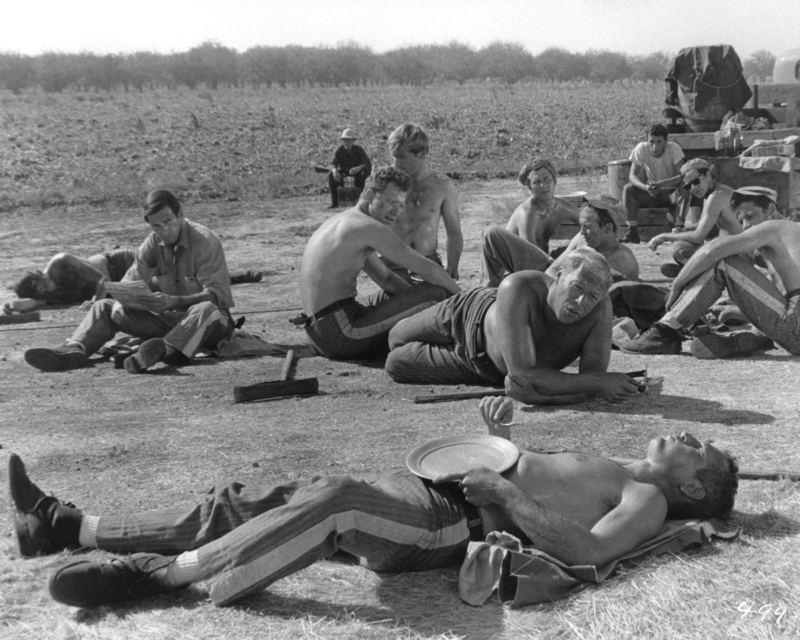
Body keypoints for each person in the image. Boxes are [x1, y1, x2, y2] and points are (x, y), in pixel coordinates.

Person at [9, 398, 738, 609]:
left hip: (458, 519)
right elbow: (552, 488)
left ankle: (161, 577)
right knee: (259, 499)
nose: (686, 433)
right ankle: (70, 525)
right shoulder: (621, 467)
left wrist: (503, 490)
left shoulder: (645, 497)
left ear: (695, 487)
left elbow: (590, 553)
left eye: (698, 447)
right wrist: (500, 443)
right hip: (454, 486)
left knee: (335, 505)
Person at [386, 248, 641, 405]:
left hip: (476, 366)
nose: (582, 302)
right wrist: (543, 393)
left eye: (593, 296)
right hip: (467, 313)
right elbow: (527, 376)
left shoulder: (600, 307)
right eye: (577, 288)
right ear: (559, 275)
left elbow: (588, 385)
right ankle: (423, 297)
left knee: (395, 363)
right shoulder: (518, 286)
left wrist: (581, 386)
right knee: (395, 337)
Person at [23, 190, 235, 374]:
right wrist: (127, 299)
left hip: (211, 324)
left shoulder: (206, 241)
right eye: (156, 226)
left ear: (180, 214)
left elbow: (219, 295)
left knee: (206, 308)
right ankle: (75, 349)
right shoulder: (153, 242)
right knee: (104, 306)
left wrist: (174, 301)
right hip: (169, 322)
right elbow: (128, 283)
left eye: (168, 221)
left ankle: (165, 352)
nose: (164, 231)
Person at [296, 166, 460, 360]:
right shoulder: (367, 227)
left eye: (400, 205)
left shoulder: (347, 221)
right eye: (390, 201)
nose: (395, 211)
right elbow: (430, 271)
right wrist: (465, 299)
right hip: (341, 334)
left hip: (318, 334)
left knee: (400, 292)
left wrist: (413, 300)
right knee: (434, 292)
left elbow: (387, 278)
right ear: (370, 194)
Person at [620, 186, 790, 359]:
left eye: (750, 217)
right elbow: (780, 294)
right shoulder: (786, 237)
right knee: (727, 271)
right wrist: (733, 309)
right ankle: (752, 340)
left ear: (770, 209)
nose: (746, 226)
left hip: (793, 324)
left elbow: (713, 250)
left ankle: (665, 331)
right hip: (790, 325)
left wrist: (678, 284)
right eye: (742, 221)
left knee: (724, 263)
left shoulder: (776, 227)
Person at [6, 251, 260, 313]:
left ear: (39, 278)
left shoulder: (61, 262)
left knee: (167, 283)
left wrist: (95, 301)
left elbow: (102, 280)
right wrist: (13, 306)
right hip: (115, 284)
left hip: (119, 266)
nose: (47, 292)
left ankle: (233, 277)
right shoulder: (50, 291)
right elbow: (29, 304)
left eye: (42, 287)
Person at [483, 195, 639, 285]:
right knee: (492, 234)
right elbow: (552, 268)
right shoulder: (582, 238)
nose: (582, 232)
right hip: (551, 280)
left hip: (567, 298)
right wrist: (544, 285)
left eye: (587, 227)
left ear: (607, 228)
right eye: (581, 226)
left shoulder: (622, 260)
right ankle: (488, 290)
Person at [384, 123, 463, 281]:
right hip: (393, 264)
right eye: (394, 157)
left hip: (428, 262)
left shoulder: (442, 186)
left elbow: (453, 232)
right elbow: (364, 224)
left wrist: (452, 267)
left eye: (401, 157)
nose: (396, 164)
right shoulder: (385, 183)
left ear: (421, 154)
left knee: (439, 300)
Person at [647, 158, 743, 277]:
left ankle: (703, 273)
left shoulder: (716, 196)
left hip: (737, 257)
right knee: (681, 244)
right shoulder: (711, 193)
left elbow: (698, 237)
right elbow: (705, 223)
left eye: (696, 181)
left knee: (680, 250)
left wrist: (664, 236)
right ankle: (698, 271)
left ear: (708, 175)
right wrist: (684, 230)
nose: (693, 188)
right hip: (729, 251)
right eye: (688, 186)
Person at [621, 123, 690, 245]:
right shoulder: (641, 148)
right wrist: (646, 187)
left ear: (666, 141)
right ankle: (632, 231)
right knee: (628, 189)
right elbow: (632, 176)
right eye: (651, 142)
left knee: (685, 187)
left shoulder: (673, 148)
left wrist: (663, 183)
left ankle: (679, 229)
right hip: (652, 193)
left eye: (659, 142)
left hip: (672, 193)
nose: (654, 146)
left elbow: (685, 175)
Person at [501, 158, 580, 255]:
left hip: (545, 261)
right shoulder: (527, 213)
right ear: (530, 187)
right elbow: (531, 256)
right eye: (537, 182)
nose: (543, 185)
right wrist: (554, 266)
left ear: (554, 180)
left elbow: (590, 221)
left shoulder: (560, 207)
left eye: (547, 179)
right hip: (525, 265)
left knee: (585, 240)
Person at [328, 128, 372, 209]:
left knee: (366, 173)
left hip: (357, 177)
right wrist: (335, 171)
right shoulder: (339, 150)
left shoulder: (359, 150)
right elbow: (332, 163)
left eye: (348, 140)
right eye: (344, 140)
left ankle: (364, 200)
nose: (346, 142)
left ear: (353, 141)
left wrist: (358, 168)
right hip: (344, 176)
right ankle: (335, 203)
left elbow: (368, 164)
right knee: (331, 175)